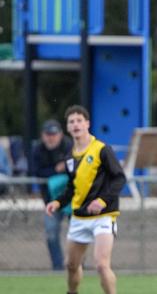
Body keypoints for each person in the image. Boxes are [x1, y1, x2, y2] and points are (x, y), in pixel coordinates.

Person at [45, 105, 126, 294]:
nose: (75, 124)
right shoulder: (69, 157)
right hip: (79, 218)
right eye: (71, 121)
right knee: (71, 265)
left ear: (87, 124)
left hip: (104, 216)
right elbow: (72, 187)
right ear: (67, 127)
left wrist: (102, 201)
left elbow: (119, 178)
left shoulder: (102, 150)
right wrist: (57, 202)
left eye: (79, 120)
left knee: (101, 264)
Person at [33, 119, 73, 270]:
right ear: (43, 136)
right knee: (51, 233)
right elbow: (36, 172)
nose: (51, 137)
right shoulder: (38, 149)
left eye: (54, 134)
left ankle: (76, 264)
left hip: (71, 198)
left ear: (61, 135)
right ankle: (58, 267)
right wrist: (56, 170)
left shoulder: (69, 145)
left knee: (77, 234)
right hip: (51, 200)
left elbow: (77, 169)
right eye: (47, 134)